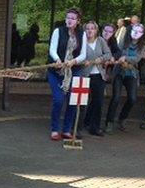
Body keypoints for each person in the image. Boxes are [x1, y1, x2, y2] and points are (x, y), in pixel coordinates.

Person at [48, 8, 87, 141]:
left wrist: (73, 61)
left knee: (72, 100)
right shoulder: (58, 31)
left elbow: (83, 54)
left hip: (74, 70)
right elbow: (52, 49)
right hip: (56, 71)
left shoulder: (82, 34)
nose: (69, 20)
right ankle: (54, 129)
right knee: (58, 100)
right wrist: (57, 59)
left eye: (73, 18)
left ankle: (66, 129)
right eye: (68, 17)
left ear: (78, 21)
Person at [105, 23, 145, 132]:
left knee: (132, 98)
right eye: (134, 30)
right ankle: (109, 122)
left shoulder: (142, 46)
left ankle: (122, 118)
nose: (136, 33)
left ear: (142, 34)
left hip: (131, 74)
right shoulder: (123, 40)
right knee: (116, 97)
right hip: (119, 72)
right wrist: (124, 58)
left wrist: (126, 58)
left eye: (139, 31)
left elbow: (137, 59)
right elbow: (119, 53)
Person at [81, 21, 112, 137]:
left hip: (98, 75)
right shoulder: (82, 42)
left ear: (96, 30)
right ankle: (79, 126)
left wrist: (102, 58)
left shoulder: (100, 41)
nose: (90, 30)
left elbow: (108, 54)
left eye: (92, 28)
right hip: (85, 75)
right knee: (82, 102)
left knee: (98, 101)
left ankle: (95, 127)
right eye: (87, 28)